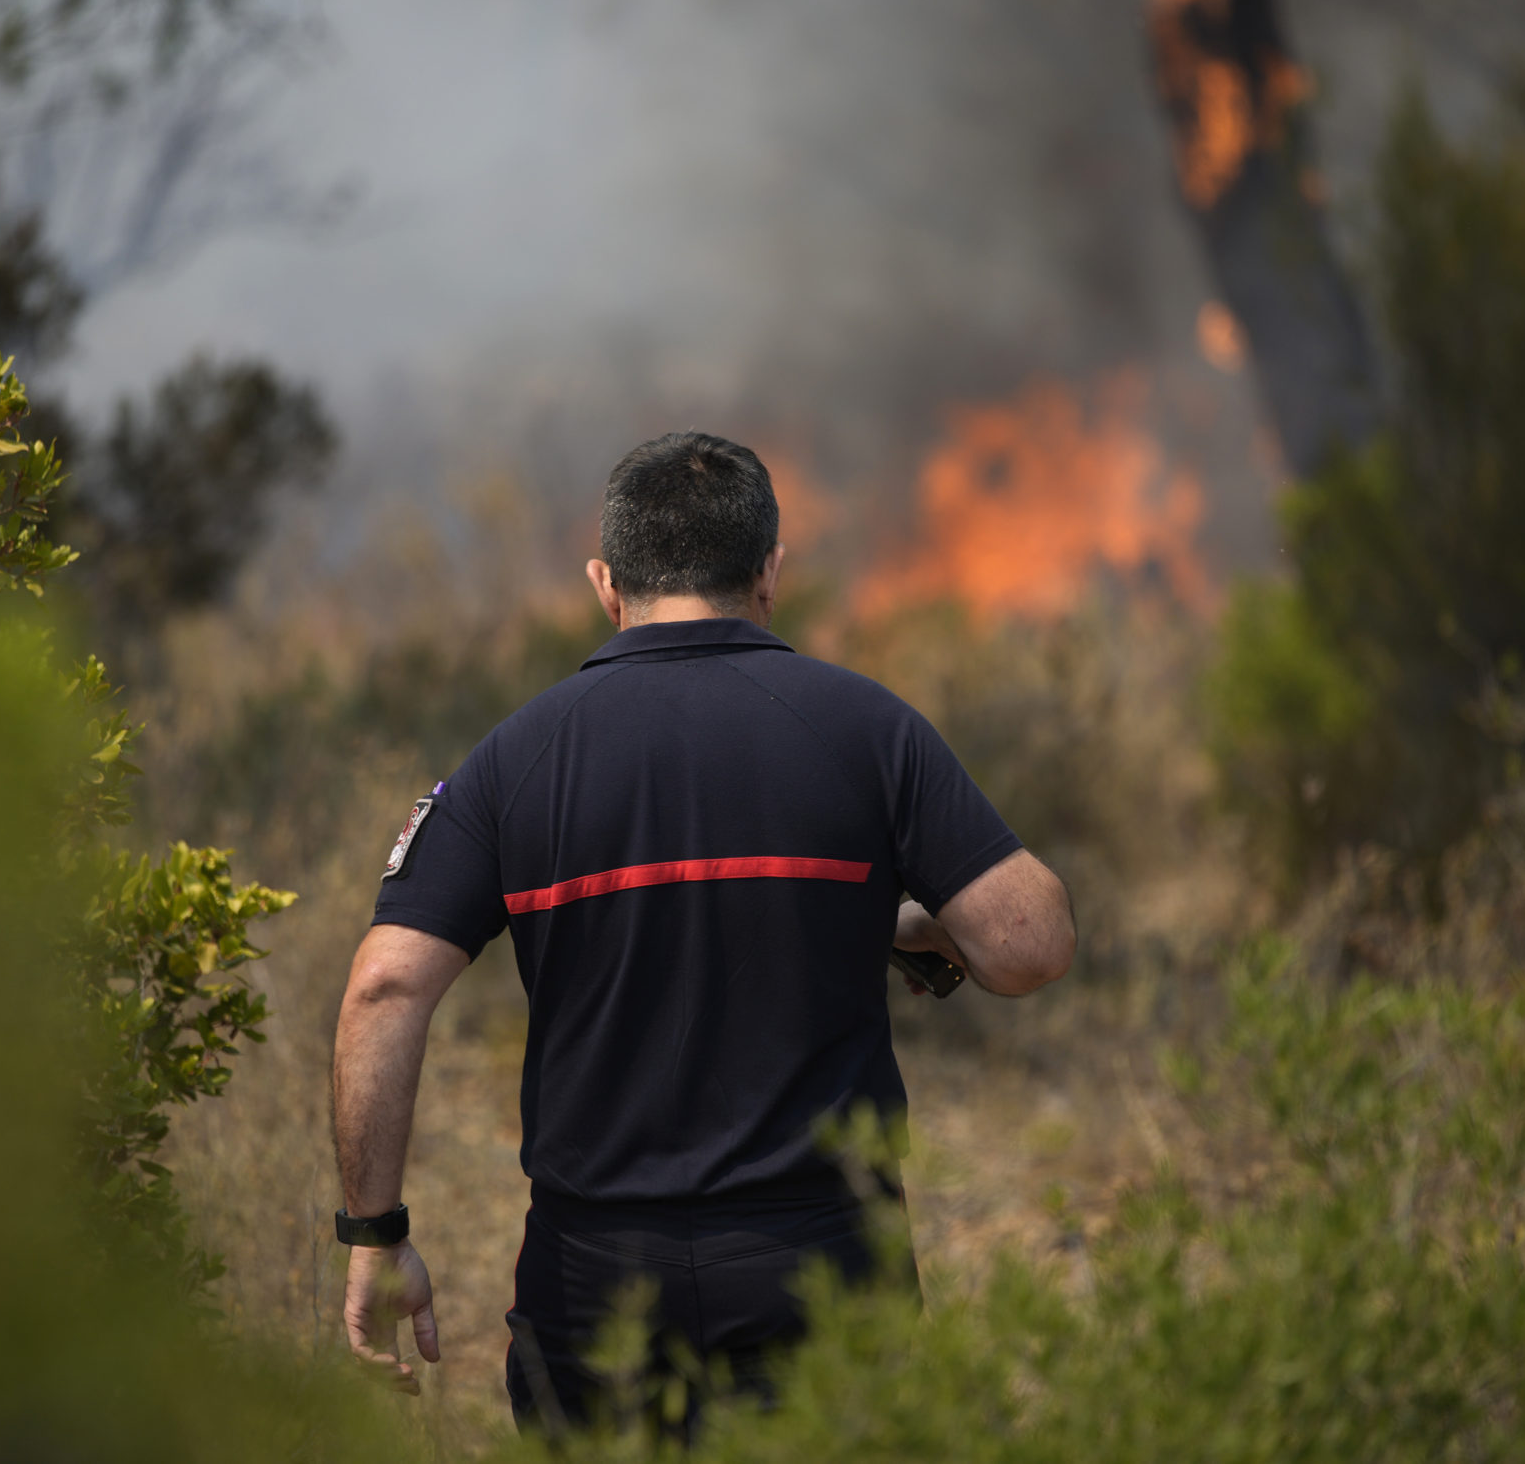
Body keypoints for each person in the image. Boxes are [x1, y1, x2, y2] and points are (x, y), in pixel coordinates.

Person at [330, 431, 1075, 1433]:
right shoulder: (865, 728)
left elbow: (384, 987)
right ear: (769, 573)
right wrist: (895, 917)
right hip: (818, 1274)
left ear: (606, 582)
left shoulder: (516, 758)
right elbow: (1028, 945)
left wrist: (375, 1235)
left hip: (594, 1287)